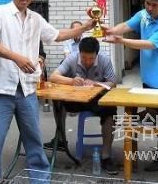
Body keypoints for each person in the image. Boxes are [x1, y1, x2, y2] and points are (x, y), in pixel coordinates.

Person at [0, 0, 95, 178]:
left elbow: (57, 35)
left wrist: (85, 27)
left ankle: (40, 179)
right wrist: (16, 58)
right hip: (1, 90)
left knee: (34, 140)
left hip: (27, 90)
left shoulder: (35, 18)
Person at [103, 0, 158, 172]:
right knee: (156, 117)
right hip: (148, 78)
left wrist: (122, 41)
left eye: (154, 5)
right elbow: (126, 25)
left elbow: (148, 44)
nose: (150, 8)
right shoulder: (144, 15)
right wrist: (112, 30)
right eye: (147, 3)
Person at [48, 37, 118, 175]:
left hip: (96, 99)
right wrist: (71, 81)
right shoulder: (72, 58)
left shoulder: (104, 59)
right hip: (75, 98)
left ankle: (106, 156)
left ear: (97, 54)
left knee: (110, 109)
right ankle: (61, 139)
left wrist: (96, 84)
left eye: (91, 58)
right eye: (84, 58)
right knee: (58, 102)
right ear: (79, 53)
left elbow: (113, 83)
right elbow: (53, 77)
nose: (87, 61)